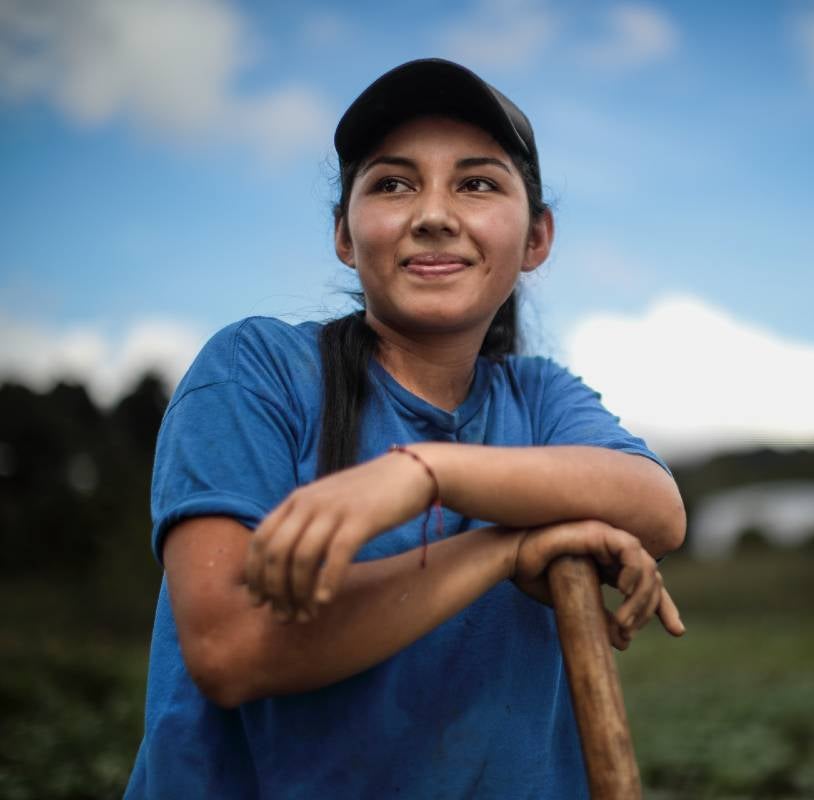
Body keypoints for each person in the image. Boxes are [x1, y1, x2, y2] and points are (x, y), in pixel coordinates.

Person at [123, 58, 686, 799]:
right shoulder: (258, 370)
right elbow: (232, 648)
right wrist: (505, 546)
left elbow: (657, 508)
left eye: (478, 183)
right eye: (392, 183)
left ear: (538, 237)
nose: (433, 214)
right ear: (346, 237)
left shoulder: (541, 400)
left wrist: (424, 472)